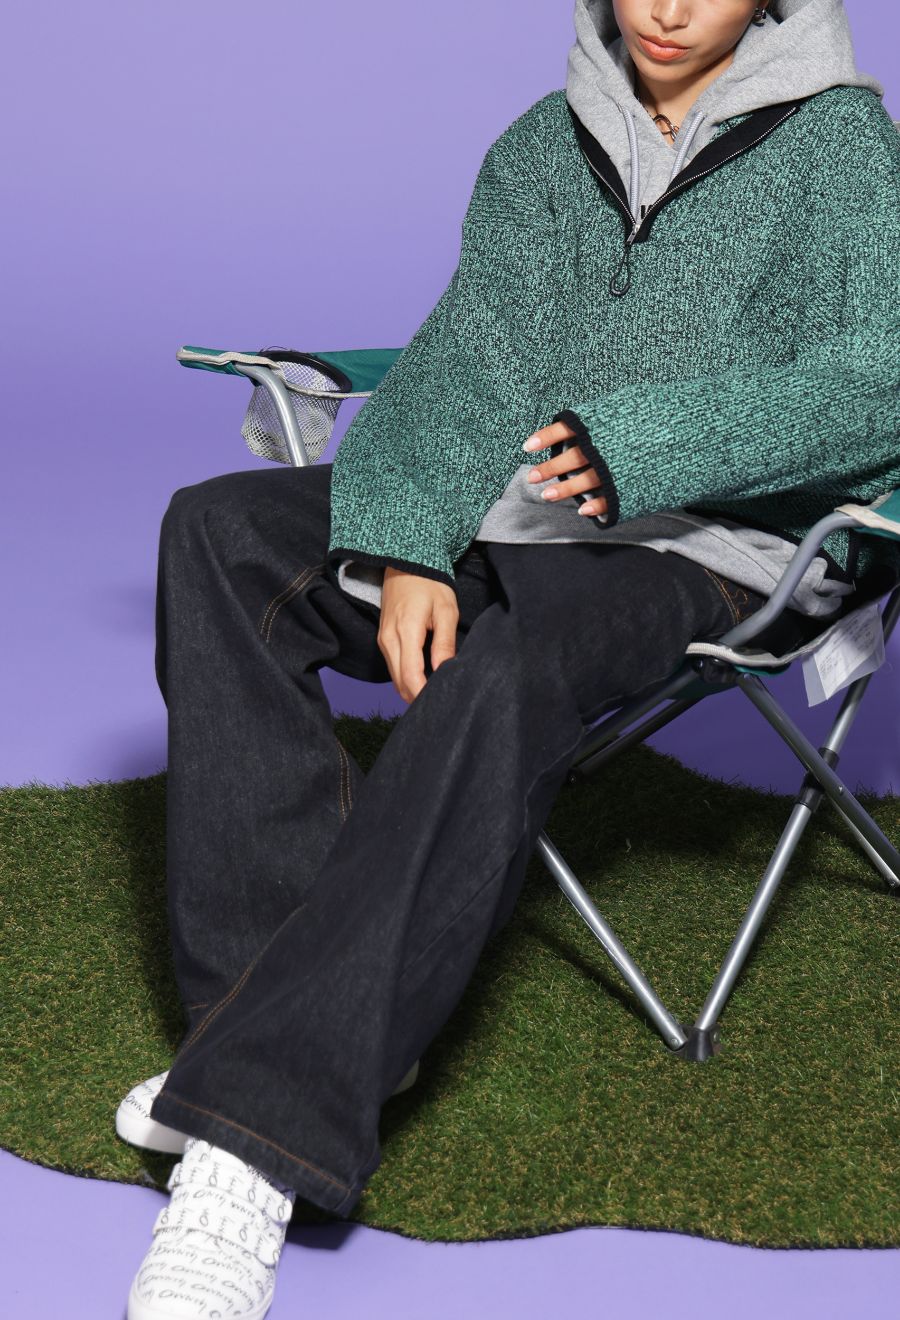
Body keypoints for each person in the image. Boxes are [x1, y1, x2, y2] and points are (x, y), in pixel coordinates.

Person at [120, 3, 900, 1317]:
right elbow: (475, 356)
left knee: (516, 658)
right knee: (218, 532)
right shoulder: (549, 142)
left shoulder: (841, 149)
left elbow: (882, 376)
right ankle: (264, 1028)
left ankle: (249, 1146)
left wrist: (650, 445)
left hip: (719, 546)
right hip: (523, 506)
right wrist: (412, 537)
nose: (667, 9)